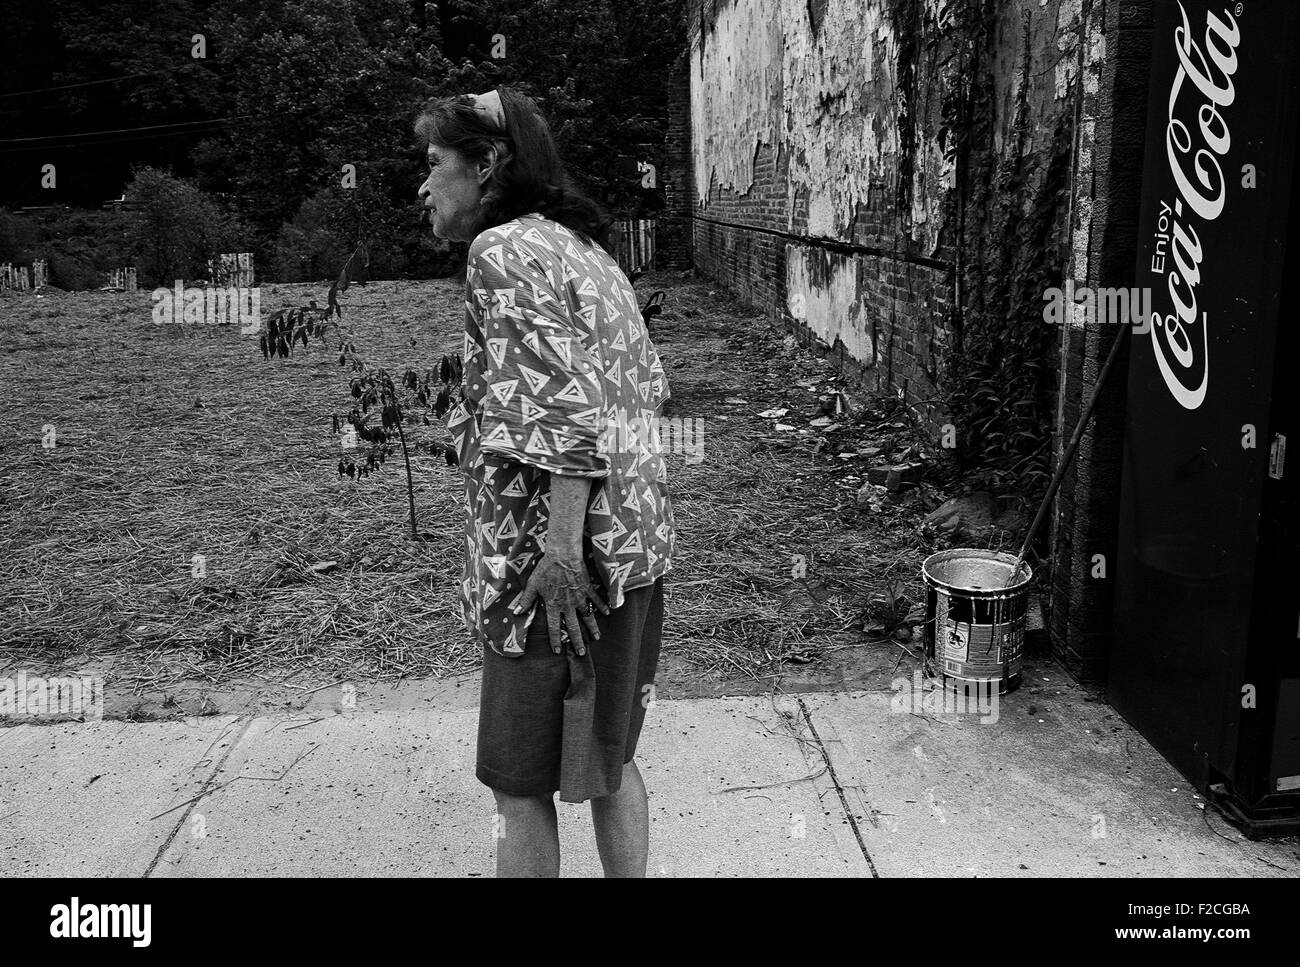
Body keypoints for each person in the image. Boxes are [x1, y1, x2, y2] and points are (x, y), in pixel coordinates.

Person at [415, 87, 676, 877]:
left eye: (434, 165)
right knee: (609, 765)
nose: (423, 187)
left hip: (549, 575)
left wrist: (560, 552)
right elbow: (646, 389)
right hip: (629, 555)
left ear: (488, 163)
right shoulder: (586, 252)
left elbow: (566, 418)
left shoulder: (503, 253)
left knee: (517, 787)